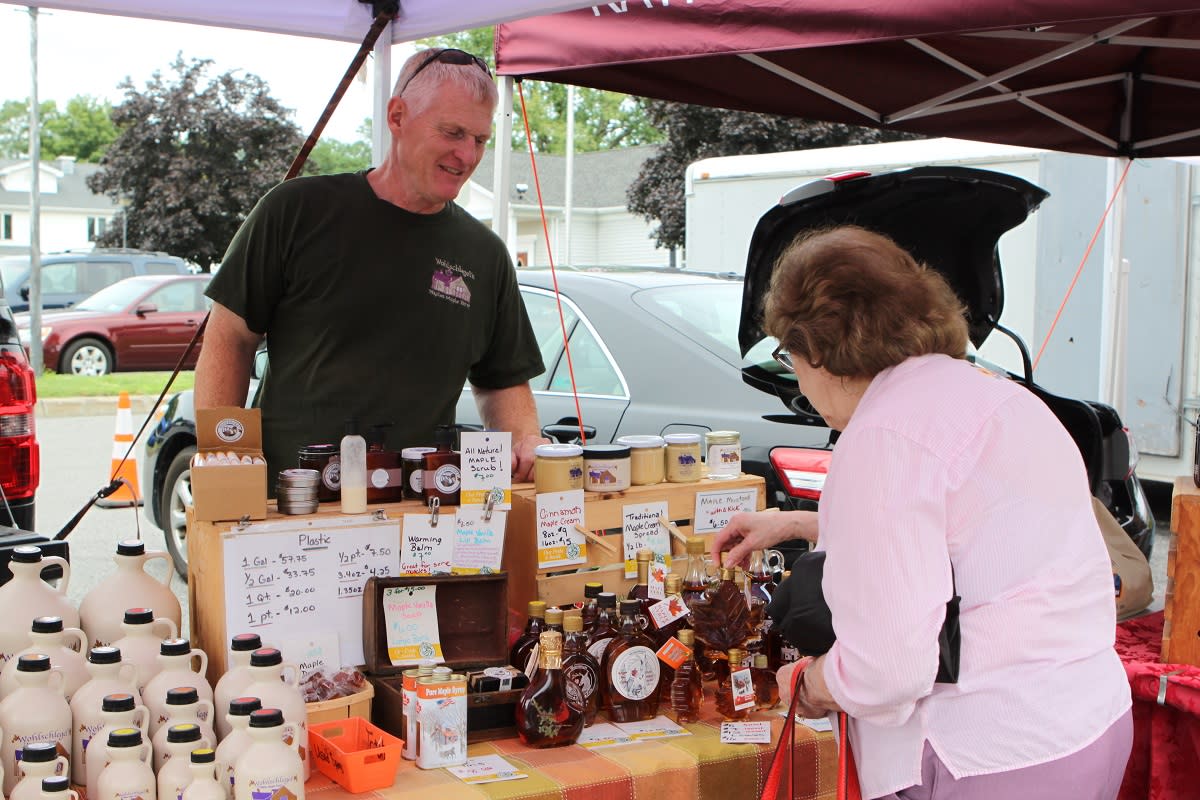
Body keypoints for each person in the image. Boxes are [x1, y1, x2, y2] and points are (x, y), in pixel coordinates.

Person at [710, 226, 1132, 799]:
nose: (799, 381)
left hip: (985, 752)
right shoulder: (1001, 397)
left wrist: (809, 683)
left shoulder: (884, 435)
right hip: (1086, 720)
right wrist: (798, 522)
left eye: (789, 355)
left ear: (819, 350)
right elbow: (976, 532)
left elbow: (886, 670)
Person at [196, 48, 547, 483]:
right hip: (291, 504)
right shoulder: (297, 212)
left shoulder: (484, 254)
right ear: (397, 117)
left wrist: (526, 441)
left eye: (479, 139)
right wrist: (223, 460)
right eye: (452, 133)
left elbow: (501, 380)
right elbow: (230, 337)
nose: (467, 155)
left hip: (419, 510)